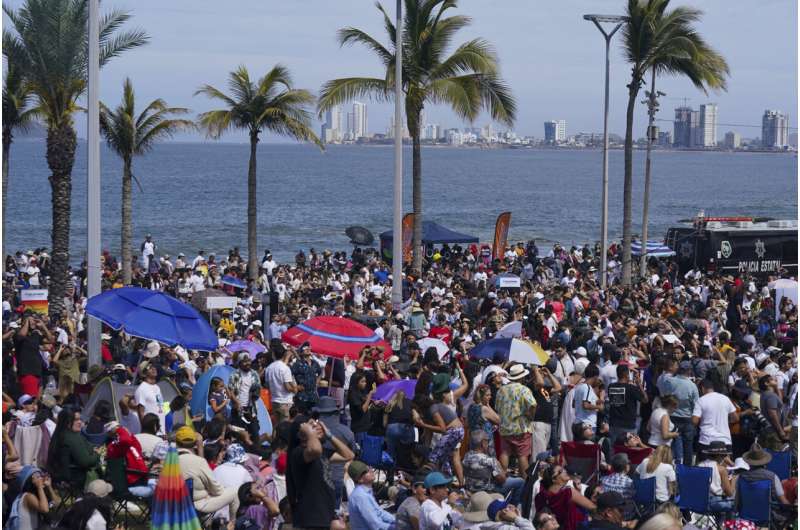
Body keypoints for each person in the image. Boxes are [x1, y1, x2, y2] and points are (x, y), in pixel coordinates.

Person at [287, 418, 354, 529]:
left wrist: (330, 436)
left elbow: (348, 455)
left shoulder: (322, 452)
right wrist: (309, 433)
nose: (317, 428)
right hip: (312, 517)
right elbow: (315, 450)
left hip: (325, 514)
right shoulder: (299, 452)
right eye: (312, 426)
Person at [175, 425, 239, 520]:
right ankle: (232, 525)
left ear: (176, 442)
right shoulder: (198, 461)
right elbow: (217, 490)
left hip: (172, 505)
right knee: (233, 493)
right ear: (194, 443)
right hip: (196, 506)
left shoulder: (167, 460)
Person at [462, 430, 525, 507]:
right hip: (489, 490)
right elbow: (502, 480)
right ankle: (513, 506)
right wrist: (498, 465)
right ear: (483, 443)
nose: (488, 444)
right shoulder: (489, 460)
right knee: (520, 481)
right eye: (487, 441)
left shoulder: (466, 457)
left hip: (471, 489)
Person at [495, 364, 537, 479]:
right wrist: (530, 415)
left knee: (504, 453)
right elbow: (533, 405)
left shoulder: (501, 390)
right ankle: (524, 481)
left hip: (505, 427)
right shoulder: (524, 390)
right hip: (521, 428)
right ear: (522, 377)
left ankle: (502, 478)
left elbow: (497, 408)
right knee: (522, 456)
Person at [657, 360, 699, 465]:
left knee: (672, 443)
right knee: (688, 445)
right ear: (689, 371)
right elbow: (696, 405)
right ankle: (687, 469)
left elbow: (664, 396)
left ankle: (671, 465)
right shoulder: (692, 386)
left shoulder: (670, 382)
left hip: (672, 416)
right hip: (687, 418)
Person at [47, 408, 101, 489]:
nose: (80, 422)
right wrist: (97, 454)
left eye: (80, 419)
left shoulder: (60, 433)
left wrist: (93, 449)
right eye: (76, 420)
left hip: (60, 480)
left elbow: (89, 446)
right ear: (67, 422)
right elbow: (85, 461)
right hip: (74, 481)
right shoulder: (70, 437)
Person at [534, 464, 595, 530]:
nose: (565, 471)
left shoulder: (540, 496)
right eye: (561, 471)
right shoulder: (568, 492)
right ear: (554, 479)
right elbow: (592, 507)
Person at [7, 465, 61, 530]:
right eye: (38, 477)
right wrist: (39, 487)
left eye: (41, 475)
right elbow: (45, 509)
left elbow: (57, 503)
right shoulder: (27, 496)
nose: (41, 478)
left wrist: (49, 487)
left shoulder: (39, 495)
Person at [691, 378, 737, 454]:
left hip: (706, 441)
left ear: (702, 388)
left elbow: (694, 421)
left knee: (705, 465)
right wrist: (724, 421)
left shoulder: (701, 400)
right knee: (724, 465)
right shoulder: (725, 399)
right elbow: (735, 418)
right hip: (725, 440)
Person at [606, 364, 647, 446]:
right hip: (628, 425)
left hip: (614, 424)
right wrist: (639, 384)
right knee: (629, 450)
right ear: (626, 374)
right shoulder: (631, 388)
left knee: (614, 449)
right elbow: (645, 399)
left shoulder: (611, 387)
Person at [347, 460, 394, 530]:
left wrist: (396, 521)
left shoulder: (365, 491)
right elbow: (376, 525)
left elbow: (379, 512)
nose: (371, 470)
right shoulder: (361, 496)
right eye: (366, 471)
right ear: (360, 479)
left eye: (369, 468)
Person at [695, 441, 735, 512]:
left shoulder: (699, 465)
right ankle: (727, 522)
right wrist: (734, 478)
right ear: (719, 456)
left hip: (697, 502)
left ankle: (720, 522)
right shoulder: (721, 469)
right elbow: (730, 493)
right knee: (735, 503)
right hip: (713, 503)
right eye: (724, 455)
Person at [264, 344, 297, 424]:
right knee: (285, 426)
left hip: (274, 400)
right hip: (285, 401)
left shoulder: (269, 368)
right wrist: (295, 389)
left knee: (276, 425)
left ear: (273, 355)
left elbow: (267, 386)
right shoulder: (285, 368)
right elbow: (288, 387)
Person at [466, 384, 500, 457]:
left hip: (473, 439)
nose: (490, 397)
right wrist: (488, 406)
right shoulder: (484, 409)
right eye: (487, 395)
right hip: (485, 441)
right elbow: (498, 420)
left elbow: (467, 423)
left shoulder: (471, 407)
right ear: (481, 396)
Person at [290, 343, 321, 412]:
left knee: (313, 417)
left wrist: (317, 383)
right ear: (301, 352)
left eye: (308, 347)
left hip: (313, 396)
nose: (307, 349)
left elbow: (320, 372)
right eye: (305, 348)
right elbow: (289, 375)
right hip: (302, 396)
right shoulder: (297, 364)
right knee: (303, 418)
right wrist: (295, 386)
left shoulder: (315, 363)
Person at [134, 360, 164, 426]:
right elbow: (141, 412)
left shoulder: (157, 388)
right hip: (151, 431)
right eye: (149, 368)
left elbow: (160, 409)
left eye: (153, 367)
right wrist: (147, 431)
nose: (153, 368)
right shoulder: (142, 389)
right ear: (144, 373)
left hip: (161, 431)